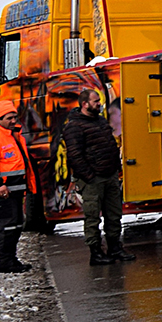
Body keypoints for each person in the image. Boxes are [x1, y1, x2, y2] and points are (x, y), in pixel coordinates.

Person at [58, 85, 131, 265]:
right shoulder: (74, 127)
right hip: (92, 180)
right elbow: (74, 155)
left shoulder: (100, 121)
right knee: (92, 217)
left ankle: (115, 248)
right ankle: (96, 253)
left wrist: (115, 169)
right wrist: (89, 176)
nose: (99, 104)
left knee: (114, 215)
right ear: (85, 104)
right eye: (95, 101)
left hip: (110, 175)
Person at [0, 96, 33, 273]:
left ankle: (11, 259)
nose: (13, 120)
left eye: (14, 117)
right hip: (1, 192)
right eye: (9, 118)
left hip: (14, 191)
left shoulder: (14, 136)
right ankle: (4, 262)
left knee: (15, 226)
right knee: (6, 226)